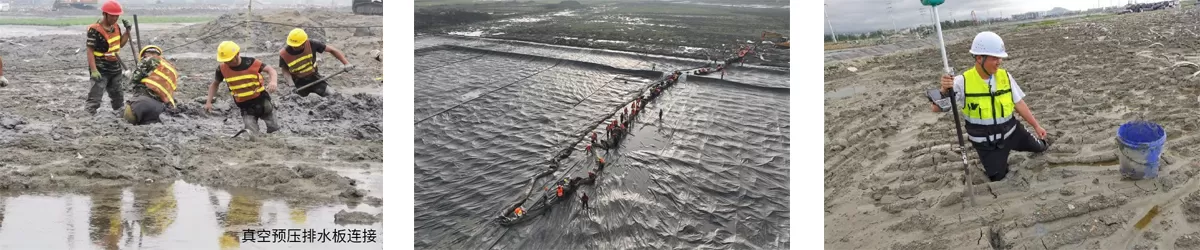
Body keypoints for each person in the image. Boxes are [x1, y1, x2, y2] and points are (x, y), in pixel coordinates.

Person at [930, 31, 1052, 182]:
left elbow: (1019, 103)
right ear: (979, 58)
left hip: (1012, 132)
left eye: (1000, 57)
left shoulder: (1005, 76)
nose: (999, 62)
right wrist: (944, 90)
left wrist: (1036, 126)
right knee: (997, 176)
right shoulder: (962, 82)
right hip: (986, 142)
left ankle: (1040, 144)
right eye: (995, 58)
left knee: (1040, 147)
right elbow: (936, 108)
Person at [206, 41, 281, 135]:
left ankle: (275, 135)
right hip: (244, 104)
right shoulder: (221, 69)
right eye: (225, 61)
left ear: (237, 54)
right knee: (251, 131)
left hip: (261, 99)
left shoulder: (251, 62)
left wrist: (273, 81)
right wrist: (208, 102)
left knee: (271, 121)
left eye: (229, 60)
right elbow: (215, 84)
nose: (227, 63)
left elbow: (271, 70)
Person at [84, 0, 132, 115]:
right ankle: (88, 115)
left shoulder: (116, 27)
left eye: (117, 16)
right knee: (95, 95)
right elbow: (90, 51)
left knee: (118, 95)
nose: (115, 19)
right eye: (112, 16)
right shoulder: (95, 30)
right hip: (100, 67)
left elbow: (119, 44)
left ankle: (119, 113)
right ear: (105, 14)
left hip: (115, 67)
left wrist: (127, 31)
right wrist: (94, 70)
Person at [278, 28, 355, 97]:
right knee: (296, 101)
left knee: (333, 95)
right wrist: (291, 85)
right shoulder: (284, 54)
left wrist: (346, 63)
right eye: (292, 45)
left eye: (297, 45)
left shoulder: (312, 44)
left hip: (314, 78)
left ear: (304, 42)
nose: (294, 47)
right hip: (298, 83)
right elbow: (285, 70)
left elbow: (332, 50)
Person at [122, 45, 178, 125]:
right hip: (160, 109)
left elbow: (135, 79)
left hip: (142, 103)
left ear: (145, 54)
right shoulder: (171, 68)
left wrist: (129, 75)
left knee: (126, 122)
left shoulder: (148, 60)